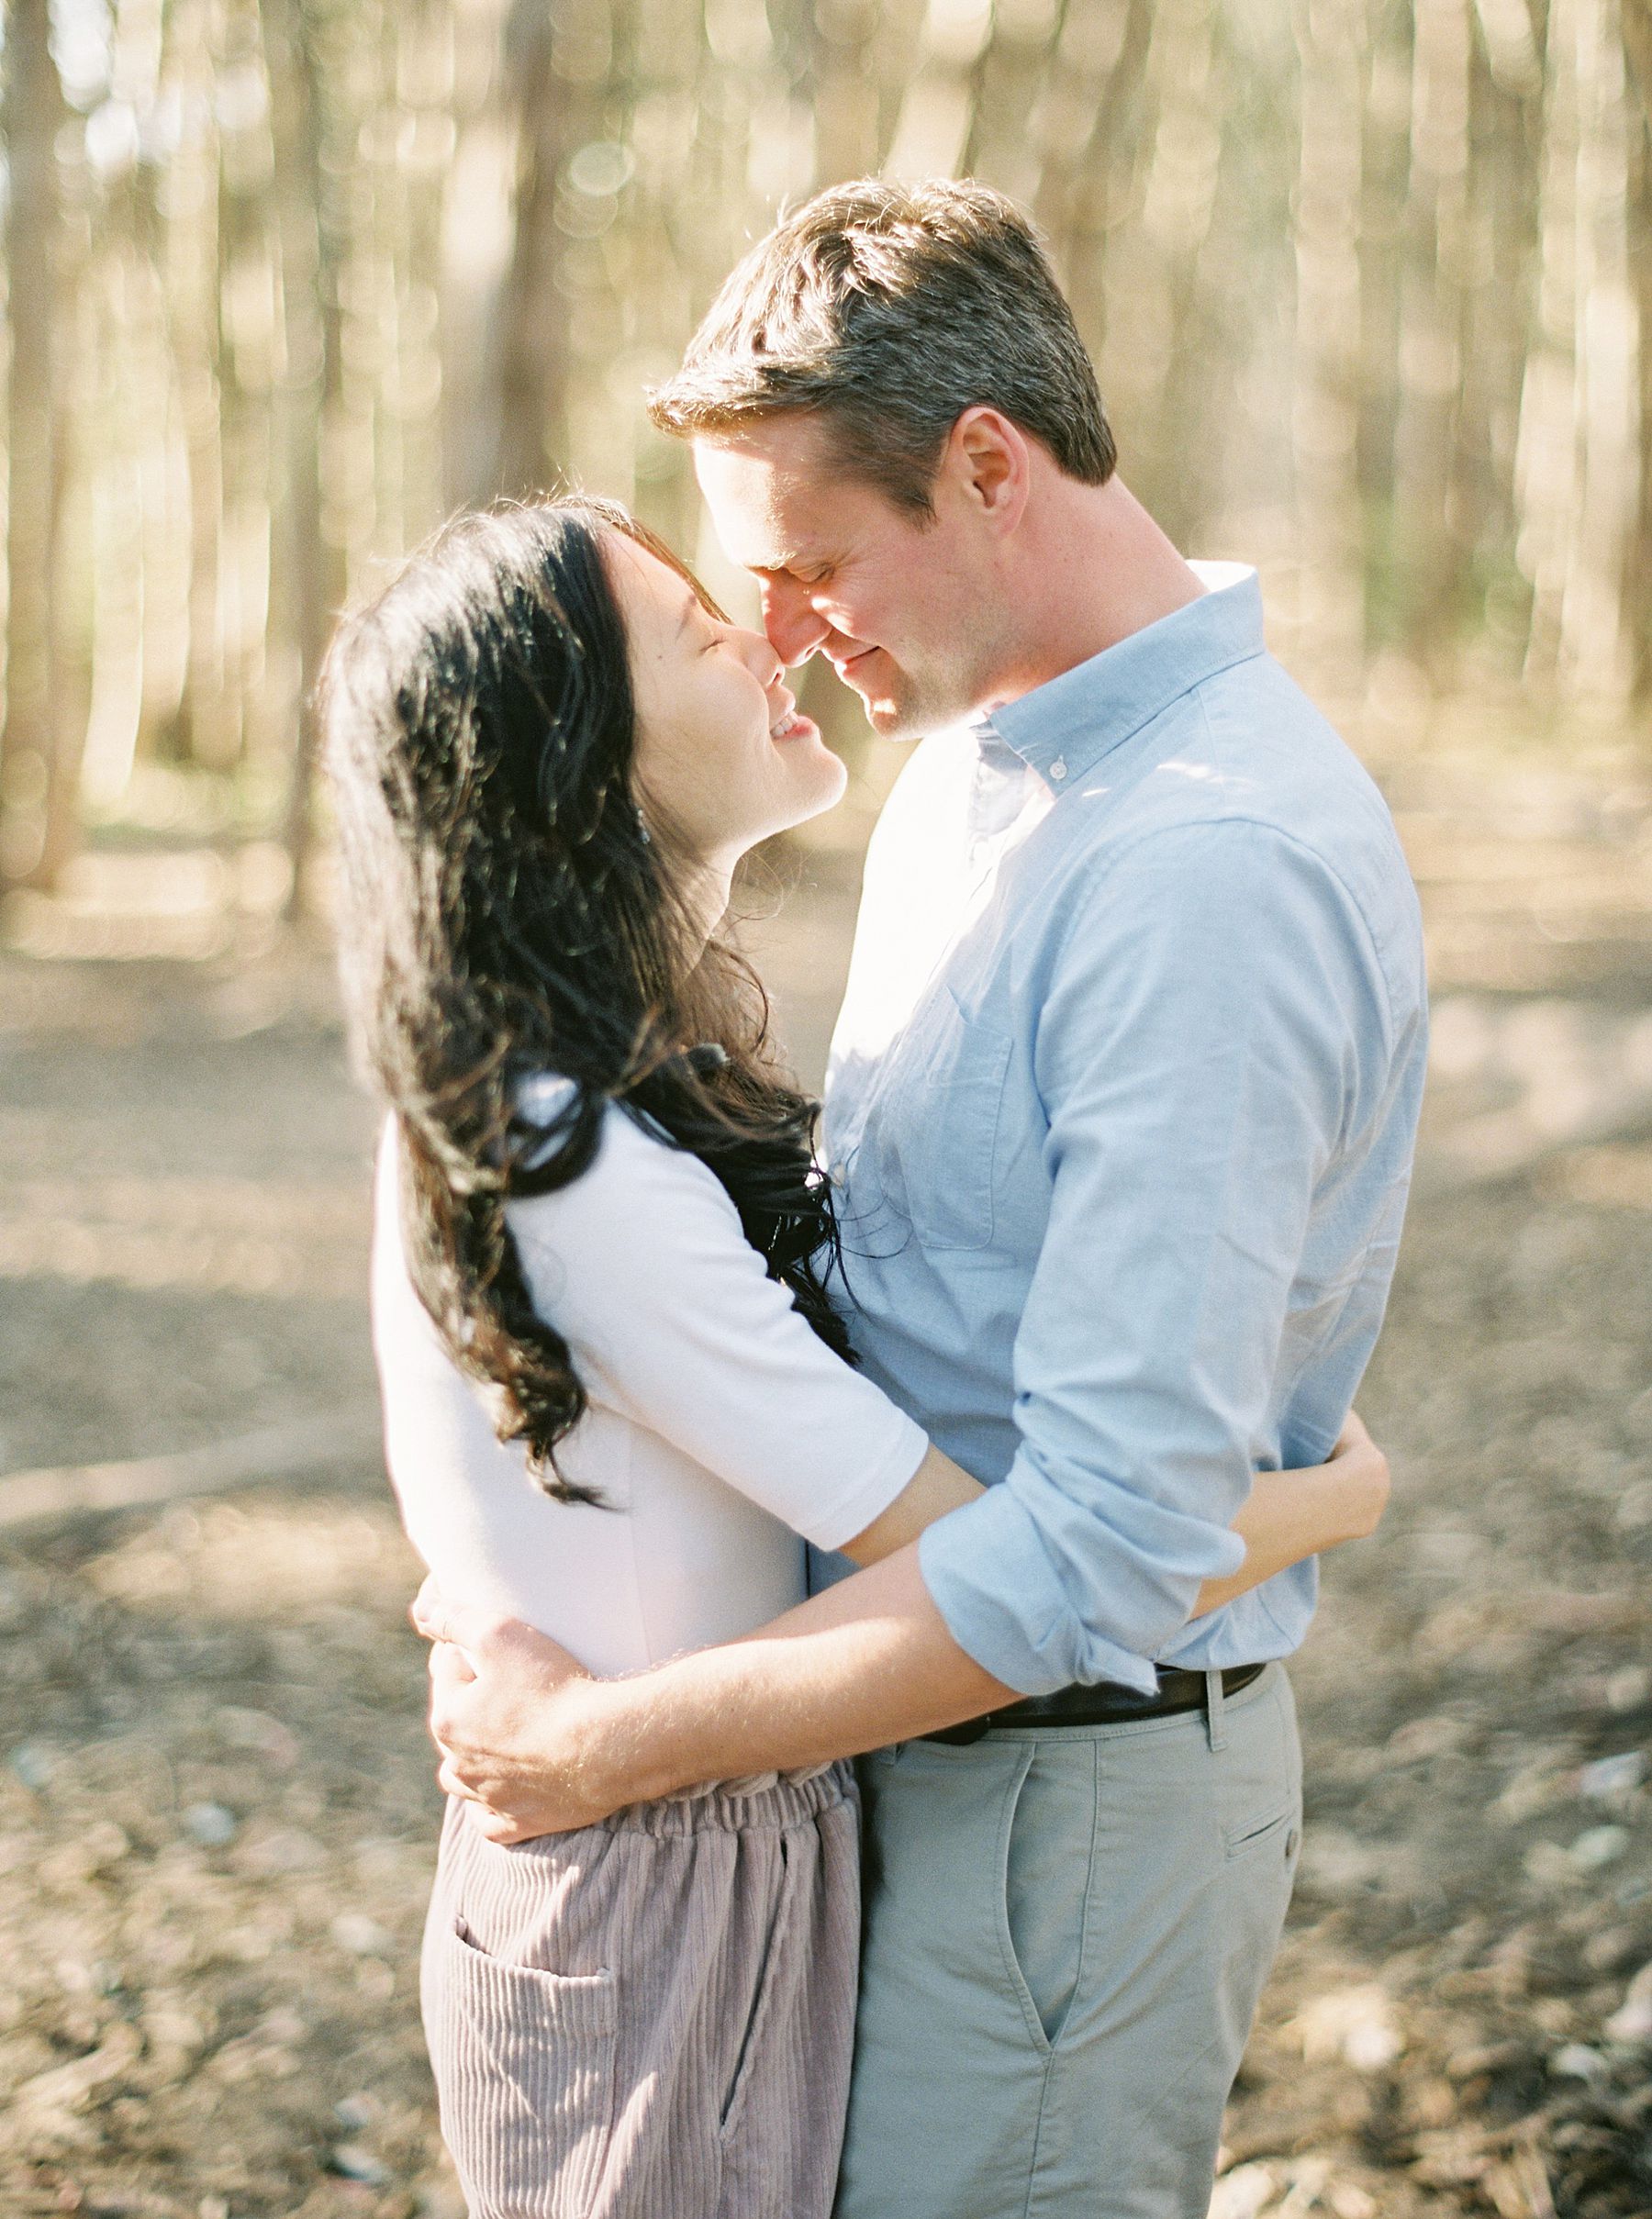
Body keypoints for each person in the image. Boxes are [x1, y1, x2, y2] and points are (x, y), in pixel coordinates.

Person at [417, 179, 1429, 2219]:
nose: (783, 630)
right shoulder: (983, 764)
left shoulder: (1200, 873)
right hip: (884, 1768)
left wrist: (620, 1748)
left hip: (1062, 1807)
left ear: (985, 465)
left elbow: (1100, 1547)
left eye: (800, 564)